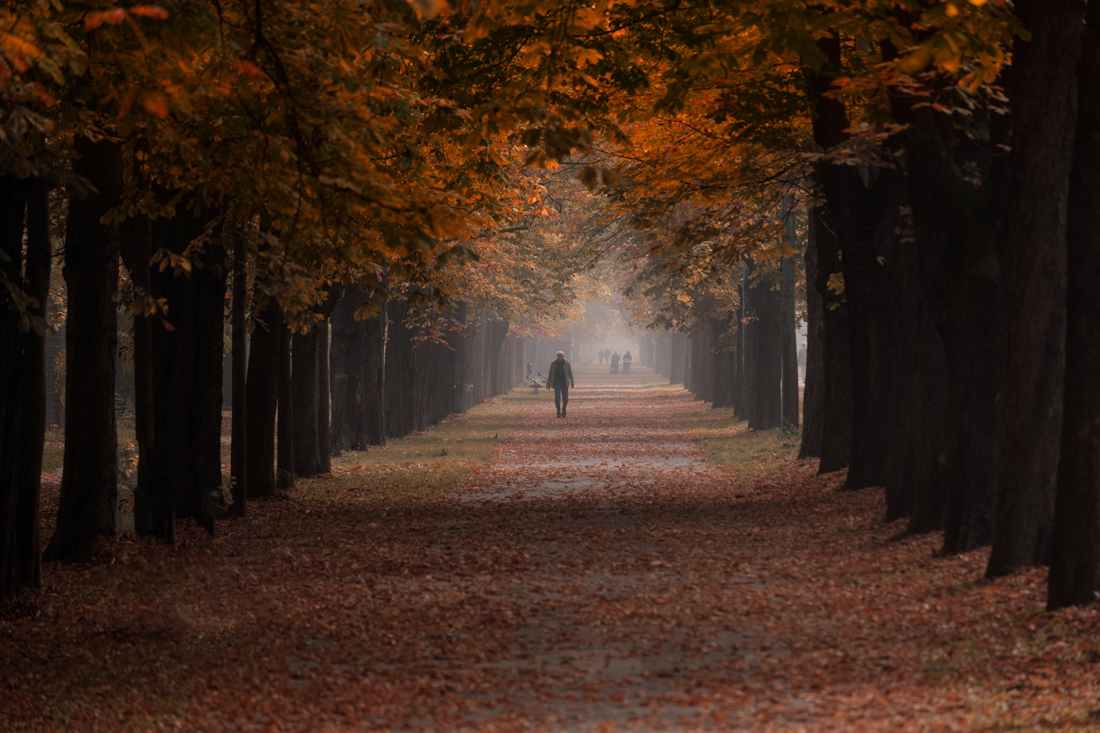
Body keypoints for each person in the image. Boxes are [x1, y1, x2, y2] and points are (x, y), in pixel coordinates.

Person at [546, 351, 574, 418]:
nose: (559, 358)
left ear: (563, 356)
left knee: (565, 398)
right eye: (558, 356)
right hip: (556, 383)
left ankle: (564, 409)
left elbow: (570, 373)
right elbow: (550, 374)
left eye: (560, 356)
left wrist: (572, 381)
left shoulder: (567, 363)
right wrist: (548, 383)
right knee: (557, 398)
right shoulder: (553, 364)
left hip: (564, 383)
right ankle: (558, 411)